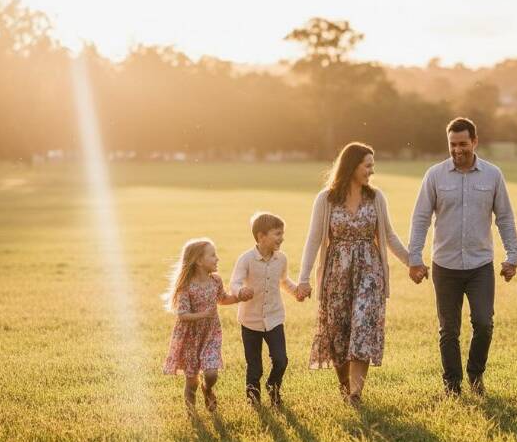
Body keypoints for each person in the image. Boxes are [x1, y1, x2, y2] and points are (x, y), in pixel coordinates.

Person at [408, 117, 517, 397]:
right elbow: (420, 218)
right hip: (444, 265)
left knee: (484, 323)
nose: (457, 150)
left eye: (463, 144)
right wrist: (414, 258)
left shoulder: (493, 175)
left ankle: (475, 375)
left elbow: (504, 217)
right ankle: (453, 385)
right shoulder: (435, 175)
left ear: (475, 142)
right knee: (449, 330)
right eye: (452, 145)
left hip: (480, 264)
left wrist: (512, 255)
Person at [297, 142, 409, 405]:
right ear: (352, 166)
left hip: (370, 272)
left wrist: (412, 262)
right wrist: (303, 278)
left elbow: (389, 237)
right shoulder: (326, 199)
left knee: (363, 327)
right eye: (367, 165)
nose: (372, 170)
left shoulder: (375, 198)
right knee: (338, 334)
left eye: (372, 165)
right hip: (336, 273)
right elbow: (314, 240)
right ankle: (345, 386)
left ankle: (356, 394)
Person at [229, 212, 300, 408]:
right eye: (277, 234)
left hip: (275, 318)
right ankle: (253, 402)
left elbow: (284, 281)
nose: (282, 238)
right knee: (255, 367)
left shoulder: (281, 259)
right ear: (261, 237)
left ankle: (273, 387)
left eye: (282, 233)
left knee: (281, 360)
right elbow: (234, 282)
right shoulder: (246, 259)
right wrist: (240, 291)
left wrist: (297, 293)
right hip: (250, 321)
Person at [162, 238, 241, 411]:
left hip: (211, 333)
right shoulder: (186, 286)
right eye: (212, 255)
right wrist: (203, 314)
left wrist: (239, 297)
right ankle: (192, 414)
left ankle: (208, 388)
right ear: (198, 261)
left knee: (211, 373)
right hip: (190, 336)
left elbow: (222, 298)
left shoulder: (215, 281)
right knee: (191, 381)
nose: (217, 259)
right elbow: (182, 315)